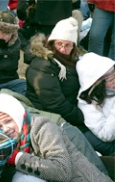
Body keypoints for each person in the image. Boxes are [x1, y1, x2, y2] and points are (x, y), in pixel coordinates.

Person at [0, 93, 114, 182]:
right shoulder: (12, 142)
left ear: (18, 115)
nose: (5, 129)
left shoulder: (42, 127)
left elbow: (62, 171)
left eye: (8, 121)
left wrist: (17, 158)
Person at [25, 17, 111, 155]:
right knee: (106, 143)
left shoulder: (72, 60)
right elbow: (55, 104)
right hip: (56, 118)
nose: (63, 49)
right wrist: (84, 118)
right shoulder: (43, 65)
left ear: (74, 46)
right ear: (52, 43)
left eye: (68, 45)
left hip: (74, 113)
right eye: (59, 44)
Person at [76, 53, 115, 151]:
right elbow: (105, 134)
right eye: (110, 79)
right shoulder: (87, 104)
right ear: (96, 82)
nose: (114, 80)